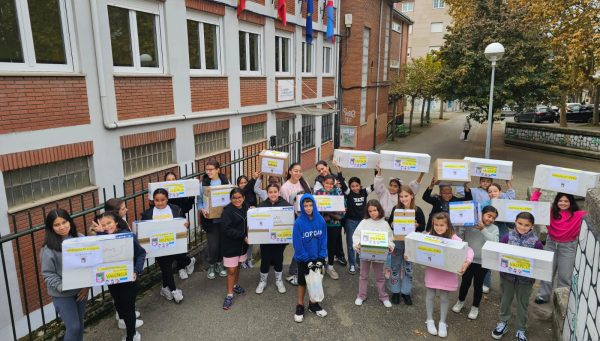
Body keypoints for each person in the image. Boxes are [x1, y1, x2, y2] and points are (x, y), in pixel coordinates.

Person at [419, 213, 473, 338]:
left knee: (444, 297)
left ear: (447, 225)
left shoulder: (454, 239)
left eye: (441, 225)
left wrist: (466, 262)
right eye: (436, 225)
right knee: (430, 295)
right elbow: (416, 245)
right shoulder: (428, 236)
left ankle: (442, 322)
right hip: (433, 272)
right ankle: (430, 319)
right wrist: (410, 253)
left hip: (447, 274)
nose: (438, 227)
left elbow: (469, 250)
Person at [492, 212, 544, 341]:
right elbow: (499, 255)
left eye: (527, 225)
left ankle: (521, 328)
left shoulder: (536, 243)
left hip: (525, 281)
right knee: (505, 300)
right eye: (520, 223)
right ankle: (503, 322)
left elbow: (539, 263)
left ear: (532, 226)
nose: (522, 227)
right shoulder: (506, 237)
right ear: (515, 222)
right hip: (507, 277)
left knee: (523, 304)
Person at [96, 211, 146, 341]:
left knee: (128, 308)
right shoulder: (98, 238)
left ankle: (132, 335)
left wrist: (136, 270)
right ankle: (127, 325)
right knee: (119, 305)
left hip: (129, 280)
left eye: (109, 223)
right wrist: (100, 233)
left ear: (116, 222)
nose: (107, 226)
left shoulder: (127, 235)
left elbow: (141, 253)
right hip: (112, 280)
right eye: (103, 225)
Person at [41, 209, 90, 341]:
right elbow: (48, 274)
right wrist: (63, 286)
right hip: (62, 294)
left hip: (81, 291)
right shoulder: (48, 248)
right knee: (73, 327)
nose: (62, 227)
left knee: (79, 325)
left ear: (70, 221)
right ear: (51, 228)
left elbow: (90, 264)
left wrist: (86, 286)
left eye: (64, 222)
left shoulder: (80, 238)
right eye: (57, 225)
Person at [532, 191, 587, 305]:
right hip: (551, 243)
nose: (563, 203)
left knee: (564, 275)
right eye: (560, 201)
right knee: (547, 271)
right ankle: (543, 295)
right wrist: (537, 191)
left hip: (568, 246)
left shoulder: (578, 214)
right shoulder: (550, 212)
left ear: (571, 202)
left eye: (566, 201)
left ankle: (562, 300)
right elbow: (534, 206)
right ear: (556, 202)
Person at [141, 188, 194, 303]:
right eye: (156, 200)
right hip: (157, 246)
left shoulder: (175, 209)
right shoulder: (147, 214)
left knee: (167, 266)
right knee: (166, 266)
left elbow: (183, 224)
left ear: (167, 199)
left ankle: (165, 288)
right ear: (152, 200)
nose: (159, 202)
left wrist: (186, 225)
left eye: (162, 200)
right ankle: (174, 290)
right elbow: (144, 231)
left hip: (172, 244)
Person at [101, 198, 142, 329]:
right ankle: (124, 318)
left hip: (128, 270)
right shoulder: (104, 230)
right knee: (120, 299)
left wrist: (136, 269)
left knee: (127, 300)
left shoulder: (122, 225)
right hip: (116, 272)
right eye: (123, 208)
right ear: (115, 213)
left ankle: (127, 316)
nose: (127, 209)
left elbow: (138, 251)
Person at [453, 205, 499, 320]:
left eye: (493, 218)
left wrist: (483, 229)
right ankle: (460, 301)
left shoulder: (494, 228)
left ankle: (475, 307)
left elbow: (494, 242)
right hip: (468, 260)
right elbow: (460, 238)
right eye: (489, 216)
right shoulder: (471, 224)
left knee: (478, 285)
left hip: (483, 262)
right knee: (465, 283)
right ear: (481, 213)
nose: (490, 219)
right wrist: (463, 226)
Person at [386, 185, 426, 305]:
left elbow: (423, 226)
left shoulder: (417, 210)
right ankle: (395, 291)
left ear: (412, 196)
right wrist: (393, 224)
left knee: (408, 269)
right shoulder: (395, 209)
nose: (403, 199)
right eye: (401, 196)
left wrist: (417, 225)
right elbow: (389, 224)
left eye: (406, 196)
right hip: (398, 243)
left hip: (410, 244)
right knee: (395, 268)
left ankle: (406, 292)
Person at [293, 194, 328, 323]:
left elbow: (324, 239)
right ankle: (300, 305)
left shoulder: (321, 220)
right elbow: (297, 243)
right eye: (305, 205)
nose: (308, 208)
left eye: (310, 205)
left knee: (316, 280)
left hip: (317, 257)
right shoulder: (299, 223)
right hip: (304, 259)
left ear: (314, 205)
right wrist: (306, 259)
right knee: (302, 282)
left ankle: (313, 304)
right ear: (302, 206)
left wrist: (321, 256)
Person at [352, 200, 395, 308]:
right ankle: (361, 295)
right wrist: (357, 244)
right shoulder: (364, 222)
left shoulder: (385, 224)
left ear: (379, 210)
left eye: (374, 210)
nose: (372, 213)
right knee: (363, 275)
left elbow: (390, 239)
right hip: (365, 254)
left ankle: (383, 296)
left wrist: (390, 246)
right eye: (370, 211)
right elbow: (356, 235)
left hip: (379, 254)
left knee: (380, 276)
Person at [255, 183, 292, 294]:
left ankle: (279, 280)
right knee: (265, 260)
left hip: (279, 240)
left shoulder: (285, 205)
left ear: (279, 192)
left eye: (275, 192)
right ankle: (263, 281)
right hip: (265, 240)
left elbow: (290, 221)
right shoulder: (261, 206)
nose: (273, 194)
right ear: (267, 193)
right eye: (270, 192)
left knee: (278, 259)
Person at [197, 159, 230, 279]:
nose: (209, 172)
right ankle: (211, 264)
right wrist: (202, 210)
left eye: (211, 169)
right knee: (213, 245)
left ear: (217, 170)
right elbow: (199, 201)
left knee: (222, 243)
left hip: (223, 218)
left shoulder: (225, 181)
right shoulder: (203, 183)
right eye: (207, 169)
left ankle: (219, 264)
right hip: (210, 220)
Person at [280, 163, 312, 286]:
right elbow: (285, 207)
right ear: (290, 171)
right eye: (295, 171)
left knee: (305, 244)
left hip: (307, 218)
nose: (298, 173)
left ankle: (298, 270)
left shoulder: (304, 183)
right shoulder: (285, 187)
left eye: (300, 171)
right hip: (295, 220)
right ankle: (291, 273)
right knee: (299, 246)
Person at [220, 188, 250, 310]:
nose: (237, 200)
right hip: (231, 244)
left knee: (238, 265)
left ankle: (235, 285)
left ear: (243, 198)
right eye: (234, 198)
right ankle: (229, 295)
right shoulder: (227, 211)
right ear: (231, 199)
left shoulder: (247, 207)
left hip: (243, 245)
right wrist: (243, 236)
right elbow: (226, 229)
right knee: (231, 270)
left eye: (239, 197)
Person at [314, 160, 347, 266]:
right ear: (323, 183)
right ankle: (322, 264)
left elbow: (342, 210)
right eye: (319, 170)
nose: (321, 171)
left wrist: (335, 213)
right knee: (322, 244)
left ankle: (332, 265)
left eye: (322, 168)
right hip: (322, 223)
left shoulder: (338, 191)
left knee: (333, 244)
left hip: (334, 224)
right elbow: (315, 208)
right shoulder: (318, 192)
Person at [342, 176, 374, 274]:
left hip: (362, 222)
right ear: (350, 187)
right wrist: (339, 170)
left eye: (357, 185)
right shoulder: (349, 193)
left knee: (362, 243)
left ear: (360, 185)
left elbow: (376, 185)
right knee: (351, 244)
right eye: (352, 186)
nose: (355, 188)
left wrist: (377, 171)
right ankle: (351, 264)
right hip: (350, 221)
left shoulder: (364, 192)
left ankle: (359, 262)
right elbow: (343, 185)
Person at [237, 174, 259, 268]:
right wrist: (253, 179)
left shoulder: (252, 192)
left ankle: (249, 259)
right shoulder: (238, 194)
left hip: (251, 221)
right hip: (242, 222)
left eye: (245, 182)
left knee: (251, 241)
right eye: (241, 183)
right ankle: (242, 261)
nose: (243, 184)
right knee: (242, 242)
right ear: (238, 185)